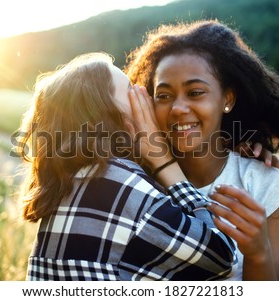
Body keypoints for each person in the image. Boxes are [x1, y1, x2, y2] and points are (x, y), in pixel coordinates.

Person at [18, 52, 238, 281]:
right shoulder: (124, 187)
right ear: (112, 115)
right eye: (131, 90)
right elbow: (222, 257)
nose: (145, 98)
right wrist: (165, 164)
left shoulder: (66, 181)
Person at [125, 19, 279, 280]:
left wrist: (258, 252)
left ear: (227, 99)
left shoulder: (266, 184)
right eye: (164, 95)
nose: (178, 108)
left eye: (195, 93)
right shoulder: (136, 178)